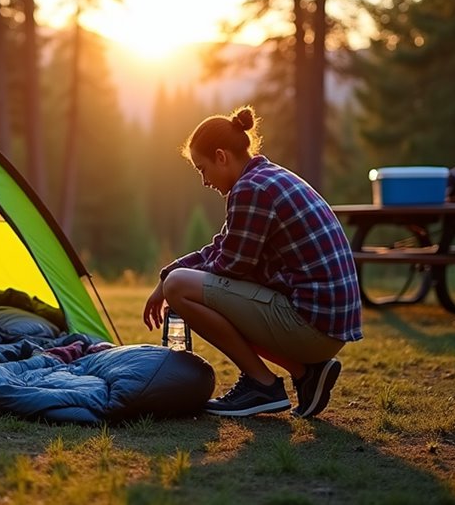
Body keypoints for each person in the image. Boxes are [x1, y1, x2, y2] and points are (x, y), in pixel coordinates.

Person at [142, 105, 362, 418]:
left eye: (202, 169)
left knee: (181, 287)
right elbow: (223, 248)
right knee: (181, 282)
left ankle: (262, 385)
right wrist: (168, 273)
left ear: (221, 156)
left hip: (313, 327)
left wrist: (170, 282)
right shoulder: (265, 178)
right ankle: (304, 374)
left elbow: (231, 266)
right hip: (328, 325)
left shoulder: (250, 189)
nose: (204, 181)